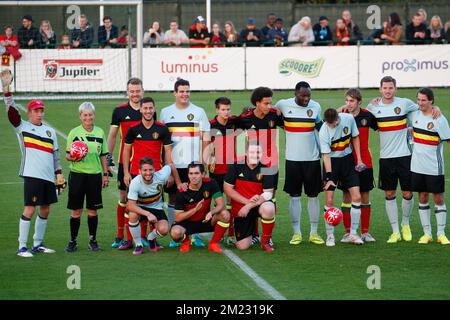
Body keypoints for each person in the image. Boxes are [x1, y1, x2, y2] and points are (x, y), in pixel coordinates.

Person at [366, 76, 438, 243]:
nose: (388, 91)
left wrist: (436, 108)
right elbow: (359, 116)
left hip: (406, 156)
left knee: (407, 193)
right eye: (385, 88)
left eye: (391, 88)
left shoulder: (405, 103)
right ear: (380, 89)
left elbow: (424, 109)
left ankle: (405, 224)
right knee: (389, 193)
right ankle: (395, 231)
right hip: (386, 157)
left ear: (395, 89)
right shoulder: (373, 107)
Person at [1, 70, 64, 257]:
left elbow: (56, 156)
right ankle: (22, 247)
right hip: (32, 175)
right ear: (29, 112)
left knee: (46, 209)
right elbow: (11, 112)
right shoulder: (22, 126)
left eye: (41, 110)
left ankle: (37, 243)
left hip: (48, 177)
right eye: (36, 110)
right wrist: (6, 91)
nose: (39, 113)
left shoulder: (50, 132)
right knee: (29, 209)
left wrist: (59, 174)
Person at [160, 79, 211, 248]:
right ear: (175, 93)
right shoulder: (166, 112)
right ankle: (176, 232)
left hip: (193, 166)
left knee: (194, 198)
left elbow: (206, 139)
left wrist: (203, 163)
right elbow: (162, 142)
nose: (185, 94)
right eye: (181, 91)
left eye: (187, 91)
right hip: (173, 164)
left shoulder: (199, 112)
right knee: (174, 198)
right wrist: (166, 167)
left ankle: (194, 235)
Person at [275, 81, 324, 245]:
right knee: (294, 196)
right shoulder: (283, 104)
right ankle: (297, 233)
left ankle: (314, 232)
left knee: (313, 196)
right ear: (295, 93)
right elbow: (271, 116)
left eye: (308, 95)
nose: (306, 98)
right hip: (292, 160)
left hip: (313, 159)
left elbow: (321, 127)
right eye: (303, 95)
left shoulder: (316, 106)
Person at [237, 87, 283, 245]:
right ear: (257, 103)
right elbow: (228, 127)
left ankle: (267, 237)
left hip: (271, 161)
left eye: (270, 103)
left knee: (270, 197)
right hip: (253, 162)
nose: (269, 106)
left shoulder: (274, 115)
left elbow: (292, 124)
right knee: (253, 194)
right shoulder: (246, 118)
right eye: (266, 103)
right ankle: (254, 233)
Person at [65, 102, 109, 252]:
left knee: (92, 210)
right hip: (77, 175)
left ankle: (93, 240)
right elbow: (67, 155)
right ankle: (73, 241)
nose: (88, 117)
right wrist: (74, 157)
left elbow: (103, 155)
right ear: (80, 116)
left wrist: (105, 174)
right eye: (85, 115)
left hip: (94, 176)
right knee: (76, 211)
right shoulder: (74, 133)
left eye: (90, 114)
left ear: (94, 115)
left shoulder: (100, 132)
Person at [107, 78, 144, 250]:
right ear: (127, 92)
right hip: (125, 162)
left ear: (142, 91)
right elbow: (113, 135)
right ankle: (120, 235)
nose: (135, 94)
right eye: (132, 91)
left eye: (138, 91)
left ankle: (141, 237)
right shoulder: (119, 111)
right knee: (124, 198)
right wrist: (108, 156)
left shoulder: (148, 110)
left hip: (144, 164)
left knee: (143, 199)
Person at [319, 108, 364, 247]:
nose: (333, 125)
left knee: (356, 197)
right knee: (330, 199)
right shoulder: (323, 131)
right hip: (332, 163)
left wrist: (359, 159)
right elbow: (326, 156)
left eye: (335, 122)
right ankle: (330, 235)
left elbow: (355, 137)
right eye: (330, 124)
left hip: (348, 161)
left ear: (338, 117)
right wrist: (329, 177)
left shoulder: (348, 119)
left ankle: (353, 233)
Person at [410, 88, 450, 245]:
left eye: (423, 100)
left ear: (431, 101)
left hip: (434, 166)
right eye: (418, 100)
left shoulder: (440, 119)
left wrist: (437, 110)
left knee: (438, 198)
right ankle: (427, 233)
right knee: (422, 197)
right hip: (417, 165)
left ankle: (441, 233)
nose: (420, 103)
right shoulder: (414, 114)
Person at [339, 89, 378, 243]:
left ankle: (365, 232)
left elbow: (382, 125)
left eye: (352, 101)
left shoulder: (367, 115)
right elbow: (326, 118)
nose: (349, 104)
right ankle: (348, 232)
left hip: (365, 162)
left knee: (364, 196)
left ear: (359, 102)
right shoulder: (341, 115)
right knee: (347, 196)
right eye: (347, 100)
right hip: (347, 163)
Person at [224, 142, 276, 252]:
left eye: (258, 152)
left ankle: (265, 241)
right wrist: (246, 202)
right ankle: (253, 233)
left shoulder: (267, 168)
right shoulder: (235, 166)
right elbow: (227, 189)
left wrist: (249, 206)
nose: (255, 155)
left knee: (269, 208)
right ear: (246, 153)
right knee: (242, 246)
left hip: (257, 205)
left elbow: (268, 194)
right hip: (241, 208)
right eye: (252, 152)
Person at [170, 162, 230, 253]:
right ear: (188, 175)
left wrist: (211, 212)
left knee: (225, 214)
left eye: (196, 173)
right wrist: (194, 210)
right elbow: (178, 217)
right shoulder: (182, 191)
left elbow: (221, 204)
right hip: (187, 224)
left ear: (203, 174)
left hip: (205, 220)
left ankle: (213, 243)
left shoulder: (211, 183)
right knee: (175, 233)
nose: (193, 176)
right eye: (191, 173)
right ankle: (186, 241)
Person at [126, 158, 173, 255]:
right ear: (139, 171)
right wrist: (148, 214)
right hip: (141, 208)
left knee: (164, 229)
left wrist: (176, 180)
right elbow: (130, 206)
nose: (148, 173)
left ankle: (150, 238)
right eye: (145, 170)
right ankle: (139, 245)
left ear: (154, 170)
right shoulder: (135, 183)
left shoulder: (161, 176)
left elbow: (171, 166)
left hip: (157, 208)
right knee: (132, 215)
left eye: (150, 170)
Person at [208, 97, 238, 244]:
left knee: (231, 201)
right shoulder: (210, 126)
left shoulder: (233, 123)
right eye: (223, 109)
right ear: (217, 110)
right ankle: (217, 233)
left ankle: (231, 234)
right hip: (216, 171)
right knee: (218, 203)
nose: (226, 112)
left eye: (228, 109)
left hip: (231, 170)